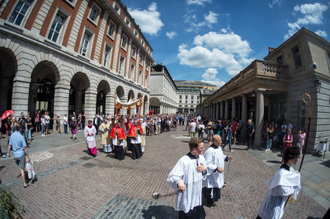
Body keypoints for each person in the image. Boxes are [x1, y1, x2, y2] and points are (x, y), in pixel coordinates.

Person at [256, 146, 301, 219]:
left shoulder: (290, 169)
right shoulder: (281, 173)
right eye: (296, 157)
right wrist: (293, 188)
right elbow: (282, 191)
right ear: (290, 158)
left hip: (280, 203)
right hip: (273, 204)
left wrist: (296, 178)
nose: (297, 159)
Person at [167, 137, 207, 219]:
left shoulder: (201, 158)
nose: (204, 149)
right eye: (201, 147)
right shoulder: (184, 161)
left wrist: (204, 170)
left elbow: (204, 173)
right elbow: (172, 176)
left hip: (197, 195)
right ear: (194, 149)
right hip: (187, 195)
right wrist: (179, 181)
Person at [204, 135, 233, 207]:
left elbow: (221, 156)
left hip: (218, 173)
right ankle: (209, 202)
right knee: (212, 187)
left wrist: (226, 157)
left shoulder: (219, 148)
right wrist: (216, 168)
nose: (221, 141)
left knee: (217, 186)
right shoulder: (210, 151)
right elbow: (207, 164)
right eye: (219, 140)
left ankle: (215, 198)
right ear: (215, 141)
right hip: (212, 174)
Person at [6, 124, 31, 188]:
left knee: (21, 167)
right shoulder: (21, 136)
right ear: (19, 129)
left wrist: (8, 152)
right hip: (21, 154)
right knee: (22, 169)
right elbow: (24, 148)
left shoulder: (12, 135)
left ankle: (26, 176)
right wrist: (28, 156)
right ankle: (25, 183)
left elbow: (9, 144)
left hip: (15, 155)